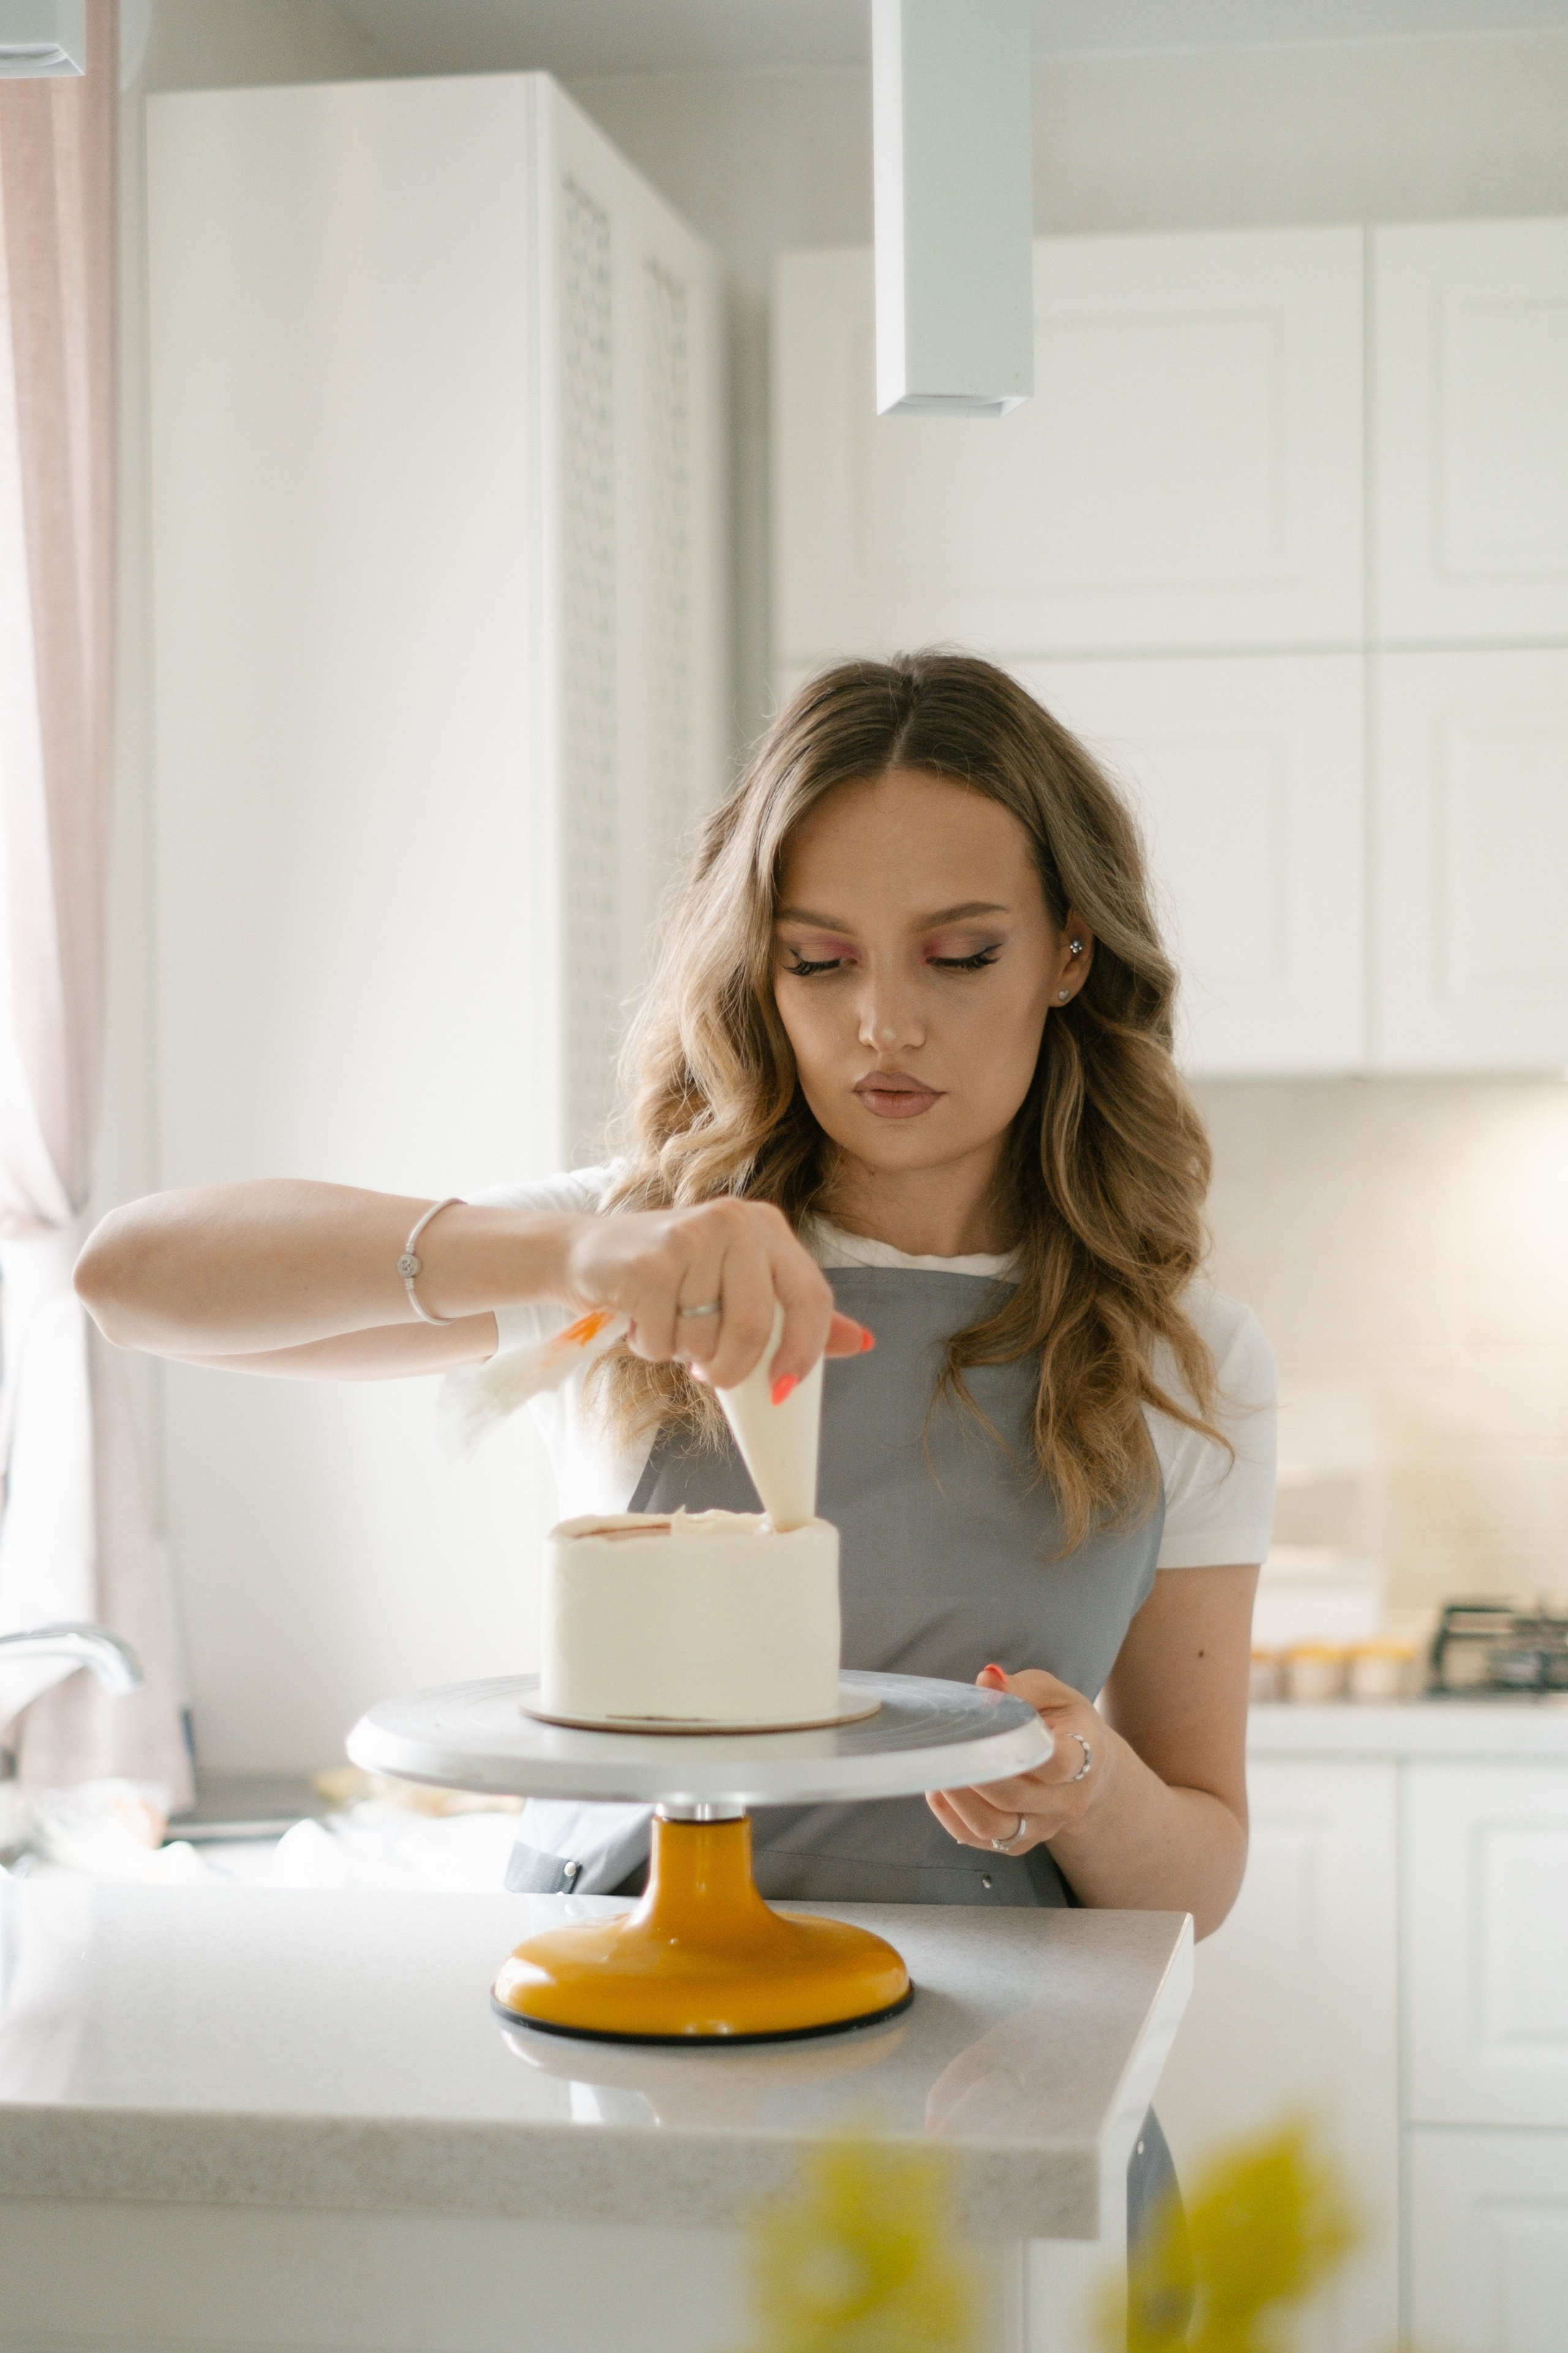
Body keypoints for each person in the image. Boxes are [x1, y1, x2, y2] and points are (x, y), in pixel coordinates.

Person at [77, 649, 1275, 2257]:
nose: (885, 1021)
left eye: (959, 953)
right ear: (758, 970)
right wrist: (559, 1258)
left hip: (982, 2085)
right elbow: (128, 1275)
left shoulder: (1187, 1355)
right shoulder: (641, 1254)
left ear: (1069, 949)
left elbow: (1197, 1863)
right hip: (610, 2052)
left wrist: (1085, 1783)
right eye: (819, 959)